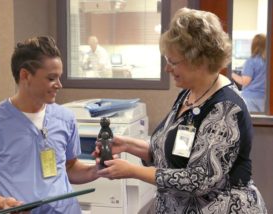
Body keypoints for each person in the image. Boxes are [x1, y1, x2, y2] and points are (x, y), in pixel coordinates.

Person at [95, 8, 267, 213]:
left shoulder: (226, 108)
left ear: (200, 61)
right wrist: (127, 145)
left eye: (172, 62)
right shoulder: (189, 95)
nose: (167, 69)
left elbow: (199, 179)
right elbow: (175, 151)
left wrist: (133, 171)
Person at [0, 36, 99, 213]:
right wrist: (2, 202)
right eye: (51, 78)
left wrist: (97, 170)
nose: (59, 85)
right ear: (25, 75)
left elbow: (70, 168)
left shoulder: (65, 118)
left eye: (59, 77)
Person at [231, 34, 267, 112]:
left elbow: (244, 82)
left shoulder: (251, 61)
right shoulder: (268, 61)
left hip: (250, 98)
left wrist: (231, 73)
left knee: (253, 122)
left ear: (253, 45)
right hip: (264, 98)